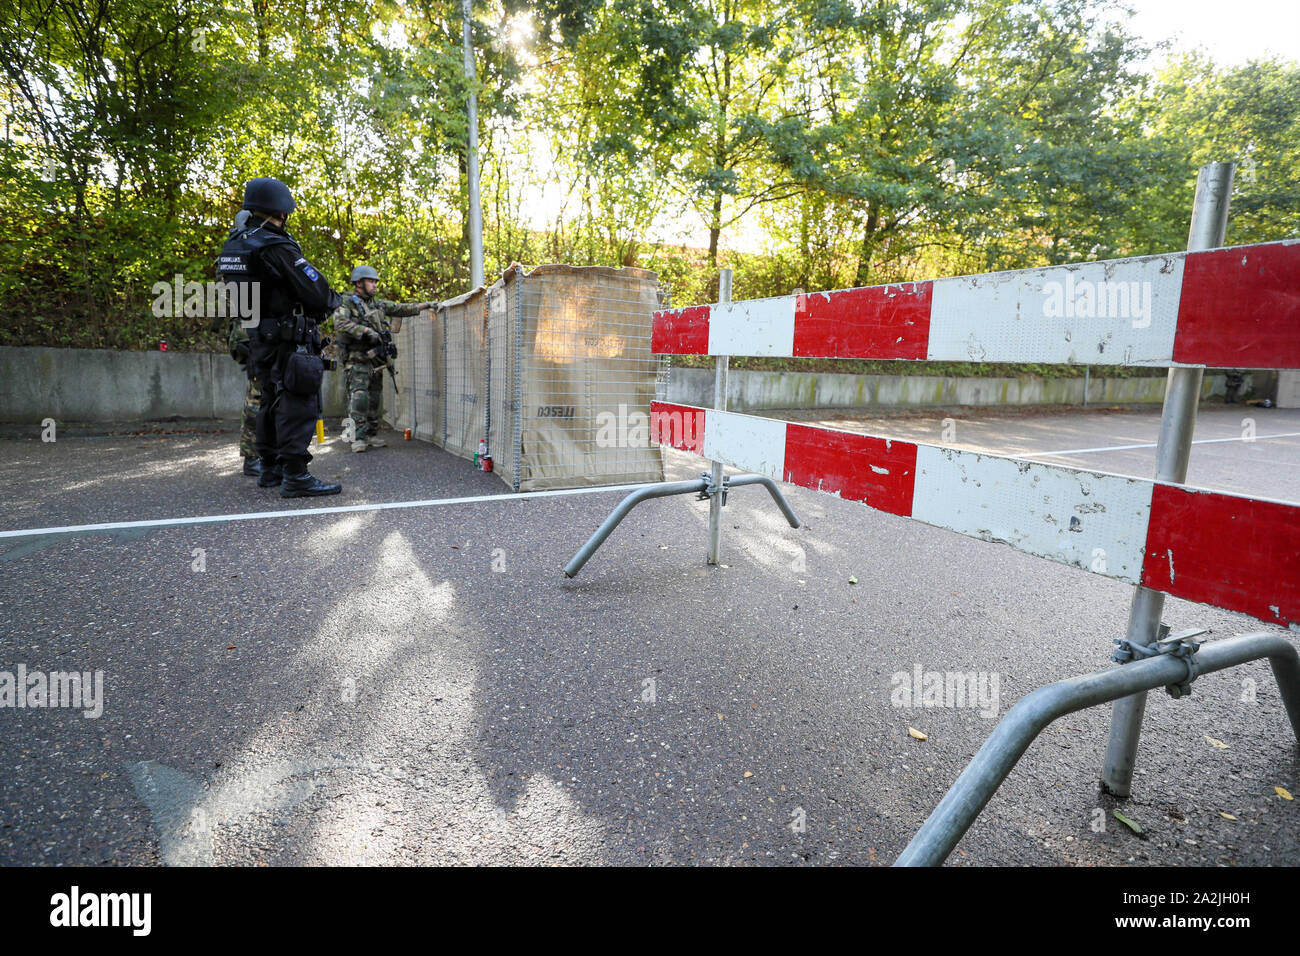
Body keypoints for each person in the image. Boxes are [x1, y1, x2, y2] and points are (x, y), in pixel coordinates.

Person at [216, 177, 344, 497]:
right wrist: (328, 302)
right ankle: (296, 476)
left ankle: (269, 469)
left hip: (260, 338)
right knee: (296, 403)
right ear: (280, 210)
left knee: (269, 401)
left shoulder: (235, 245)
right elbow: (318, 291)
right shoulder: (274, 245)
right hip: (289, 339)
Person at [331, 265, 433, 453]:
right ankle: (357, 438)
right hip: (357, 359)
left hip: (376, 360)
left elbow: (400, 309)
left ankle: (370, 434)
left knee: (374, 399)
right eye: (371, 281)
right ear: (359, 283)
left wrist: (426, 305)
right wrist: (366, 331)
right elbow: (340, 323)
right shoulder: (346, 302)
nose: (375, 285)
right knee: (359, 398)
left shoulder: (377, 304)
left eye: (376, 281)